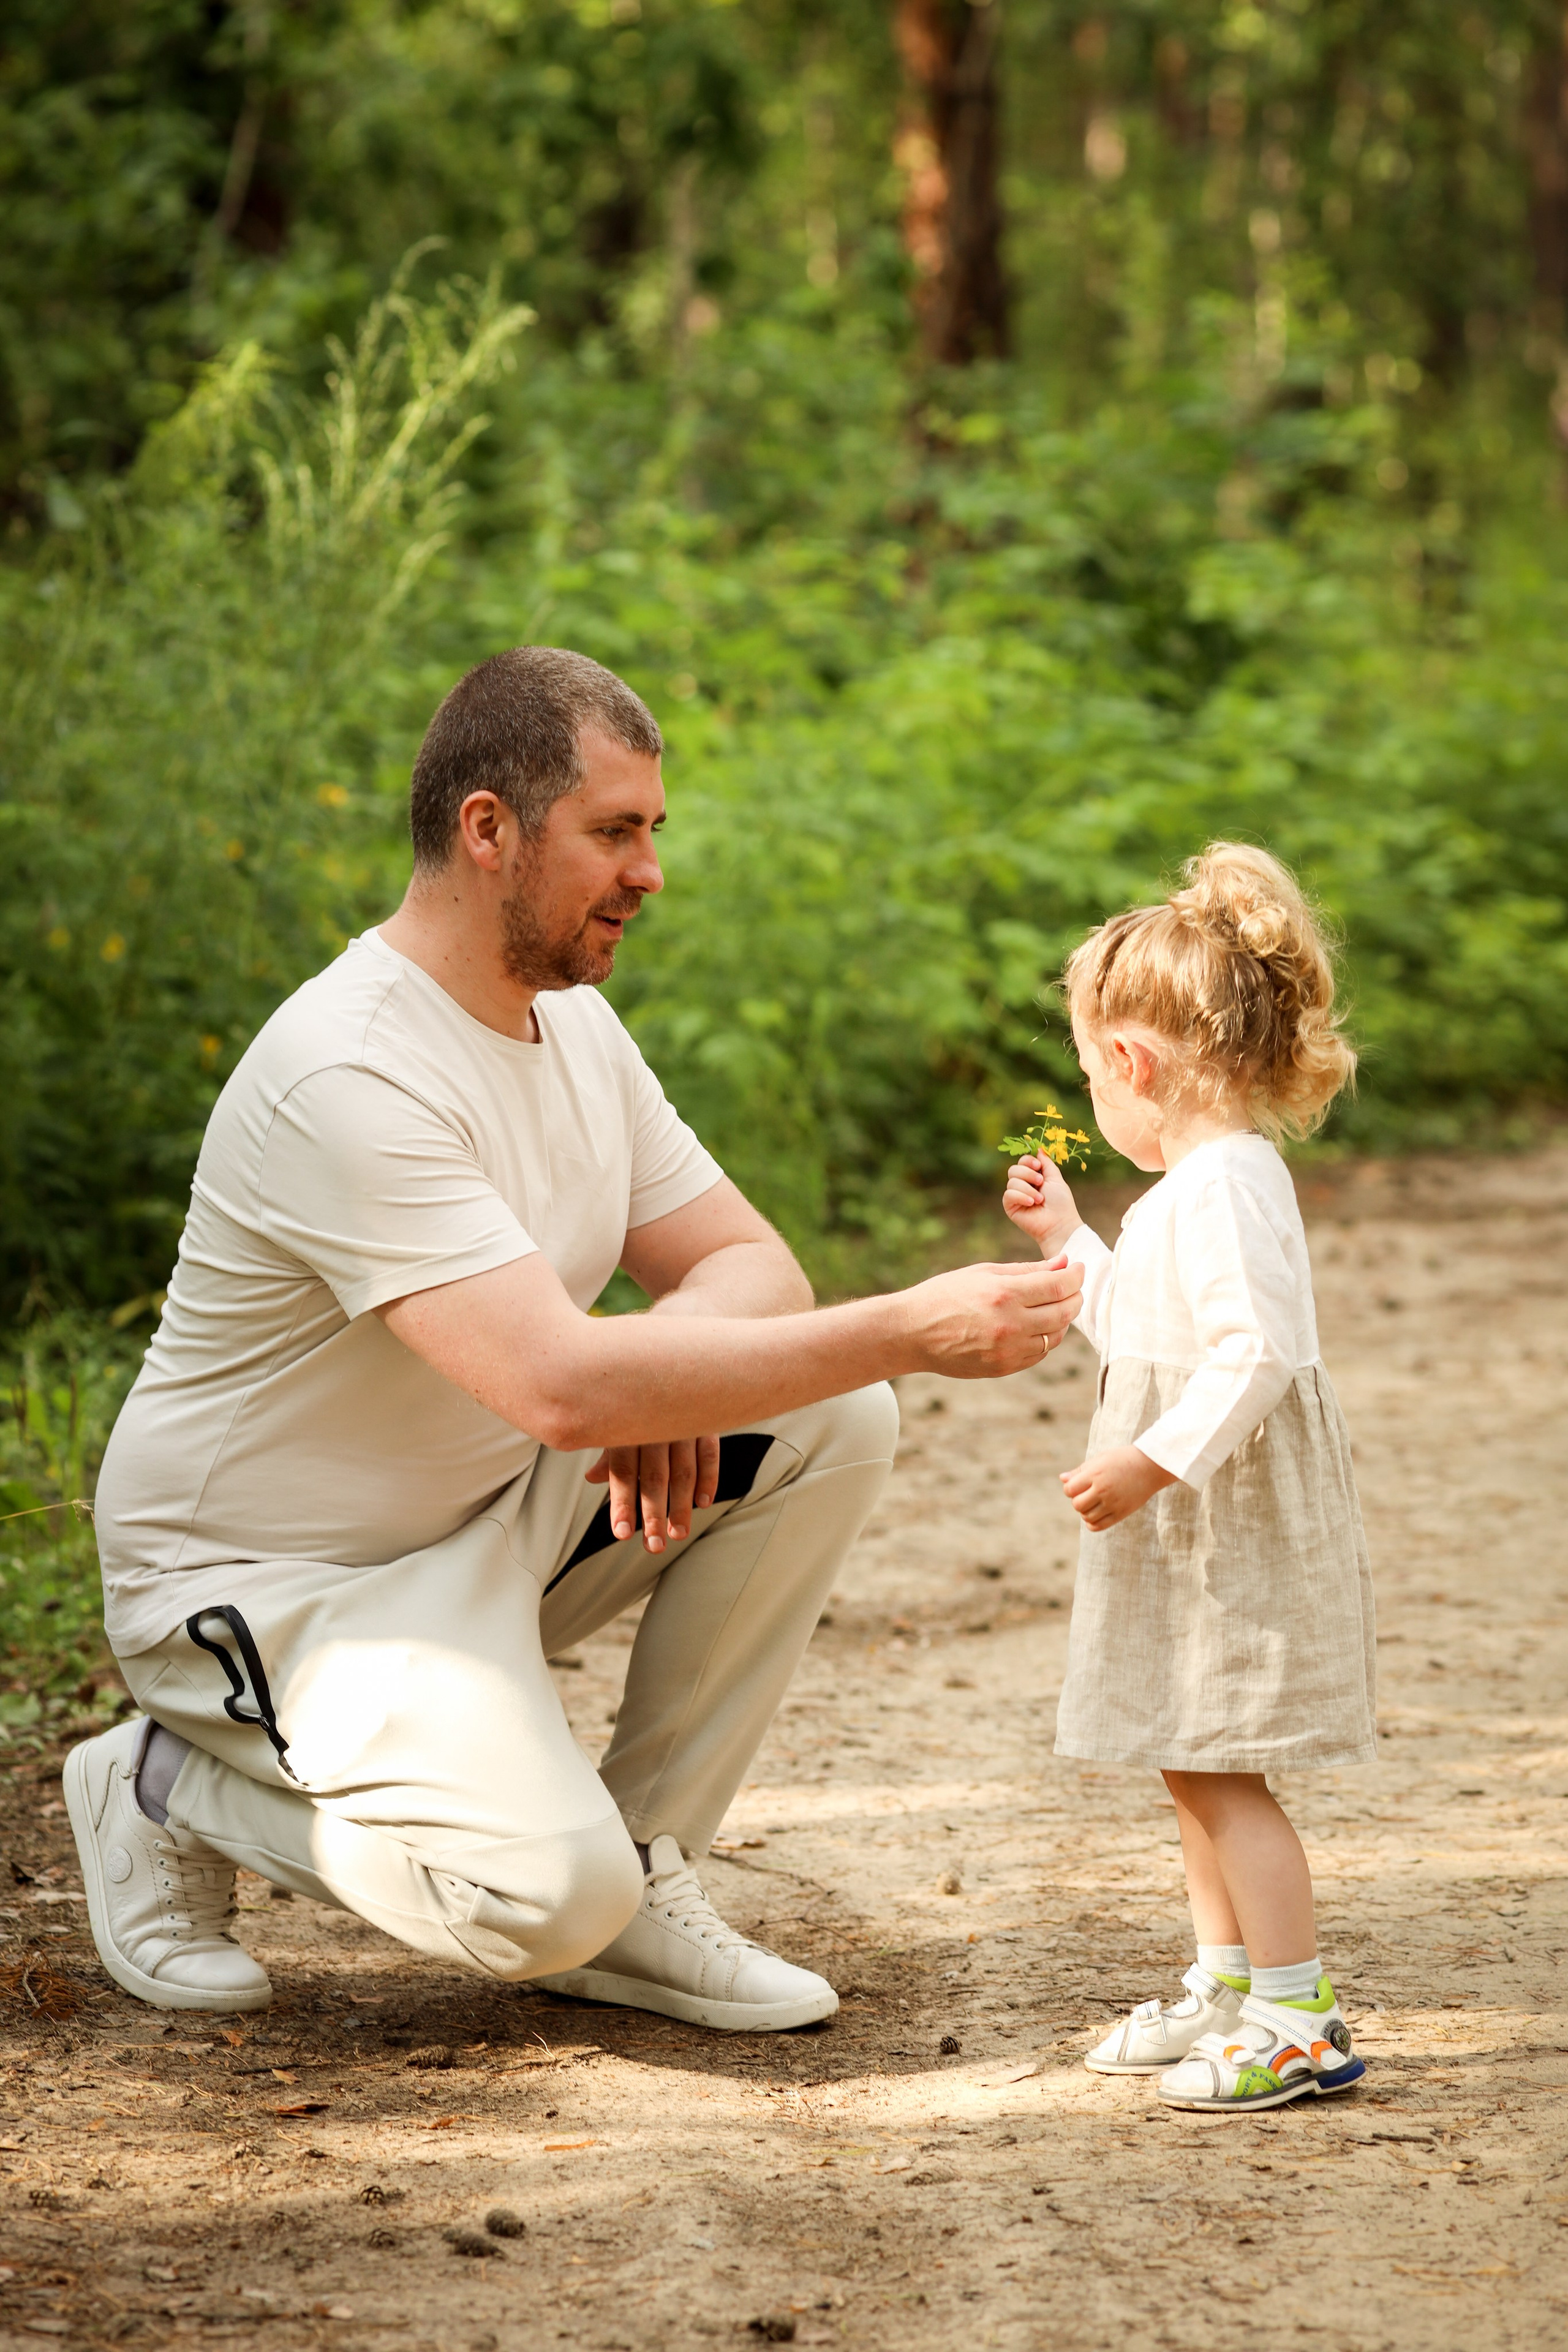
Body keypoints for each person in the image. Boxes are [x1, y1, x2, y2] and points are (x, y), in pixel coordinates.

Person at [66, 646, 1084, 2029]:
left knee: (825, 1419)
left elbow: (744, 1262)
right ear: (488, 829)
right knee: (540, 1902)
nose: (648, 872)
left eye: (650, 832)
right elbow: (554, 1384)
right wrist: (902, 1326)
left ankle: (648, 1872)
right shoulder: (349, 1068)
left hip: (475, 1527)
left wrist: (666, 1372)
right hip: (264, 1589)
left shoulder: (577, 1031)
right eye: (614, 832)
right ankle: (164, 1782)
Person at [1003, 842, 1374, 2114]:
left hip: (1221, 1520)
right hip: (1184, 1515)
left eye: (1086, 1073)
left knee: (1222, 1762)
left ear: (1132, 1065)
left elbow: (1255, 1355)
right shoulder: (1186, 1193)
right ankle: (1227, 1981)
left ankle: (1297, 2014)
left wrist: (1148, 1460)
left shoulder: (1223, 1188)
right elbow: (1153, 1338)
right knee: (1185, 1752)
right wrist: (1070, 1246)